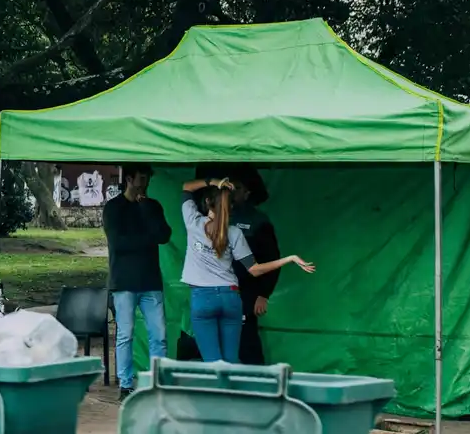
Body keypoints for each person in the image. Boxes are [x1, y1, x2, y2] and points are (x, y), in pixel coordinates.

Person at [180, 177, 313, 362]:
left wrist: (213, 182)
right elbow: (255, 269)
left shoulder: (193, 223)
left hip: (203, 297)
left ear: (207, 203)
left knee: (213, 363)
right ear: (230, 206)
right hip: (231, 297)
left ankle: (220, 391)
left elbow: (186, 187)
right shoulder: (234, 232)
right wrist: (288, 259)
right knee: (231, 362)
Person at [103, 164, 171, 399]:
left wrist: (144, 209)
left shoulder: (152, 206)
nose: (146, 183)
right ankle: (125, 384)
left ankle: (156, 381)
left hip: (151, 280)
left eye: (148, 178)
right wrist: (146, 238)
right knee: (125, 335)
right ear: (130, 179)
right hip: (124, 281)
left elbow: (164, 235)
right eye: (142, 178)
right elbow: (118, 244)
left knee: (159, 334)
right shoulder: (113, 208)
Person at [229, 175, 281, 365]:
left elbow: (272, 260)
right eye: (228, 186)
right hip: (217, 290)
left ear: (247, 192)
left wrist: (263, 294)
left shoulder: (258, 221)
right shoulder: (217, 216)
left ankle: (258, 385)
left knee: (247, 343)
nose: (231, 191)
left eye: (237, 187)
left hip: (246, 293)